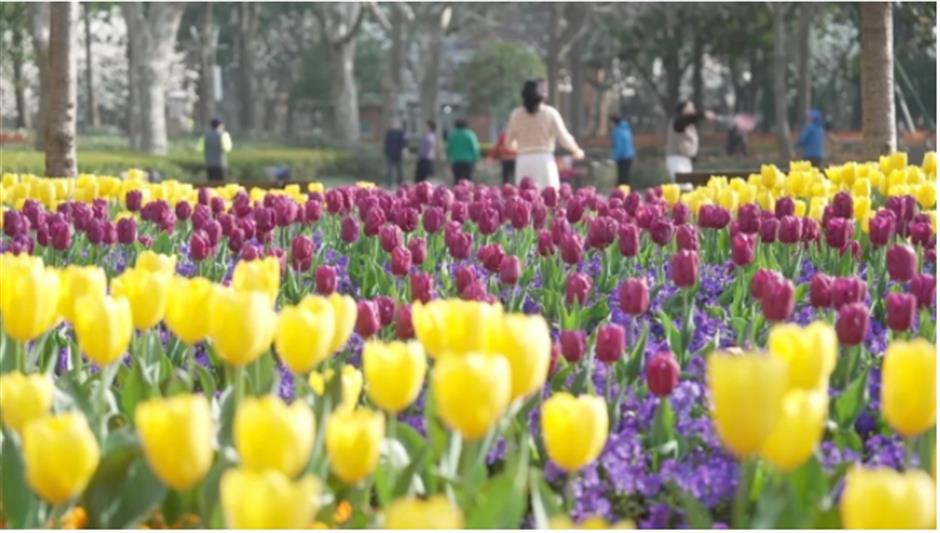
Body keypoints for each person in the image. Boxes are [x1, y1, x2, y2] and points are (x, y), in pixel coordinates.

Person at [505, 79, 585, 189]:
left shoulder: (516, 114)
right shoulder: (550, 113)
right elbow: (564, 138)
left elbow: (508, 143)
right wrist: (576, 150)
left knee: (525, 197)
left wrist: (521, 147)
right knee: (548, 196)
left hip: (523, 161)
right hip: (544, 161)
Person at [665, 100, 715, 182]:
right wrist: (703, 114)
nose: (693, 109)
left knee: (688, 186)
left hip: (686, 160)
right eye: (690, 107)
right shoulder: (677, 121)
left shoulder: (689, 124)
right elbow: (687, 119)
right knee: (684, 186)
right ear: (683, 109)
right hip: (677, 159)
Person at [609, 115, 636, 187]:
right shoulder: (627, 130)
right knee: (626, 176)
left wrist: (615, 157)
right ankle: (626, 190)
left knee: (622, 176)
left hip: (622, 157)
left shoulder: (618, 132)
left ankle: (621, 191)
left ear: (614, 122)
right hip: (629, 156)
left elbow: (618, 146)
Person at [383, 120, 408, 187]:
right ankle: (389, 184)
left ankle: (400, 184)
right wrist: (386, 152)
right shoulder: (389, 133)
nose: (394, 125)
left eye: (396, 124)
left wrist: (404, 152)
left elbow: (404, 143)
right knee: (389, 170)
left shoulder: (401, 133)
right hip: (390, 154)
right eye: (393, 124)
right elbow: (386, 143)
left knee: (400, 170)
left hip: (398, 155)